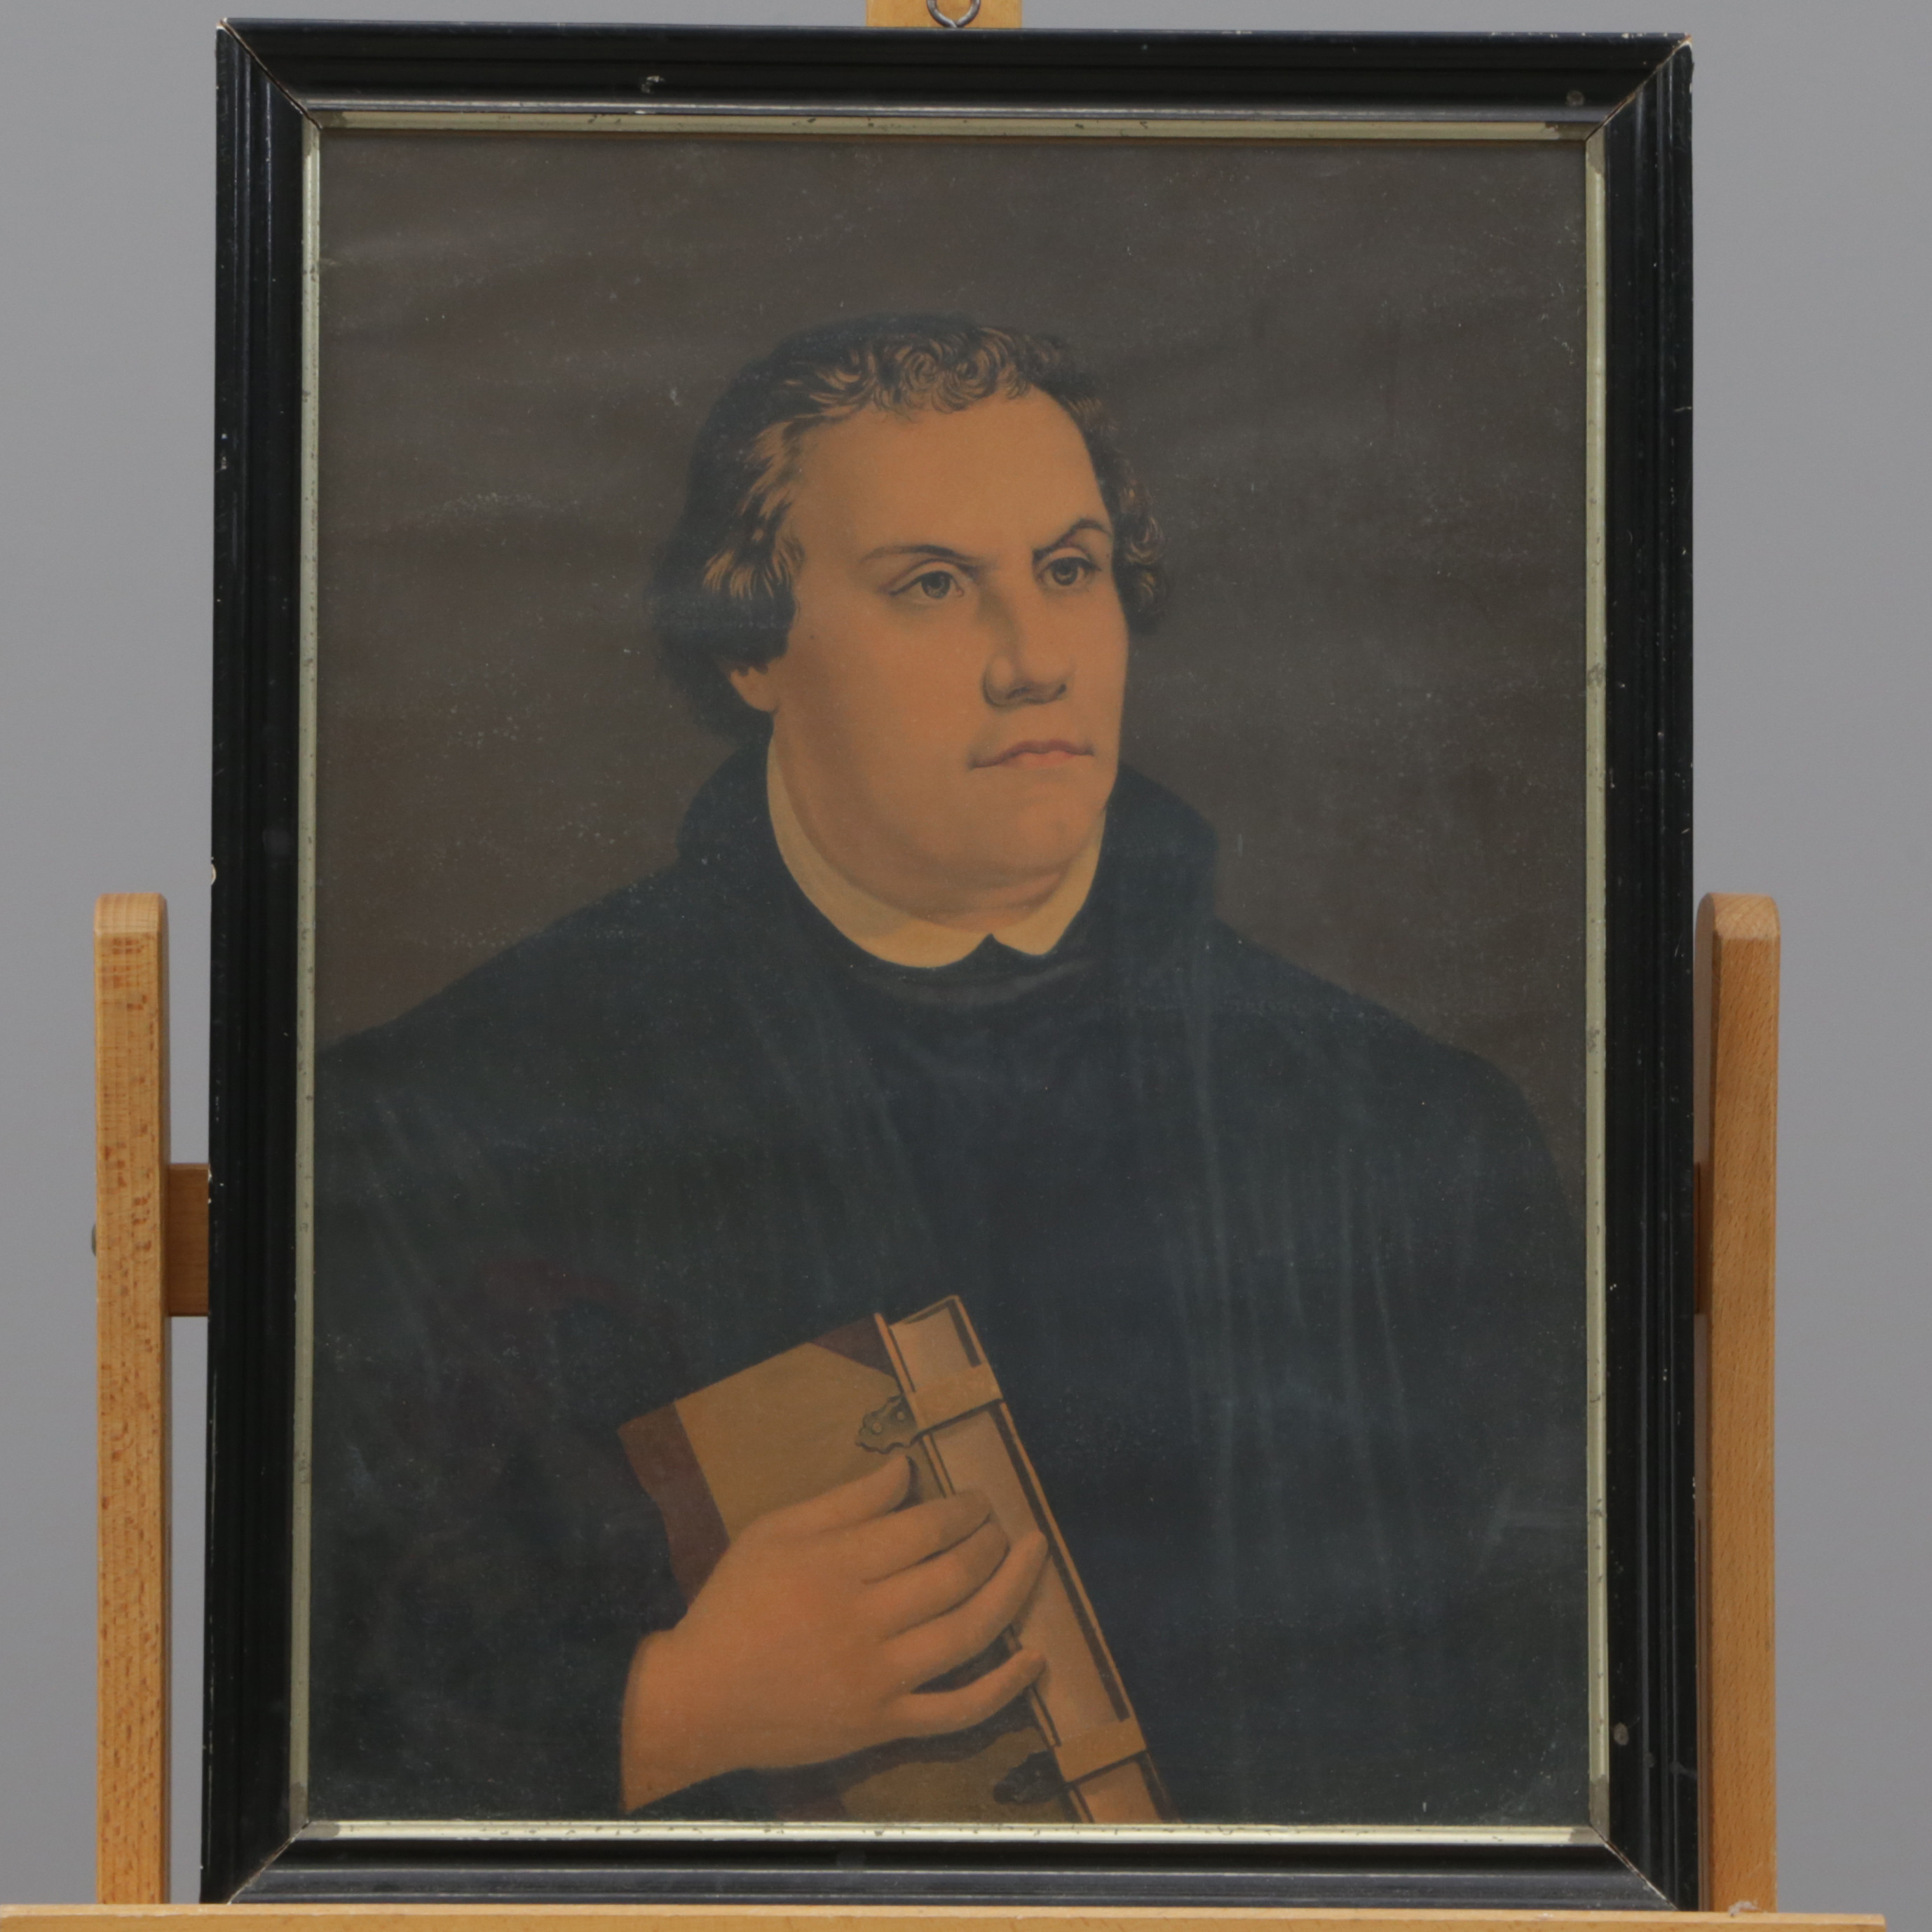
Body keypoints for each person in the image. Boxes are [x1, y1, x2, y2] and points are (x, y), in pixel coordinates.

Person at [309, 315, 1586, 1830]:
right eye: (931, 584)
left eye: (1070, 570)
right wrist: (669, 1711)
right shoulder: (443, 1124)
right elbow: (320, 1717)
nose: (1034, 662)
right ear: (752, 645)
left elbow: (1555, 1746)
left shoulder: (1413, 1133)